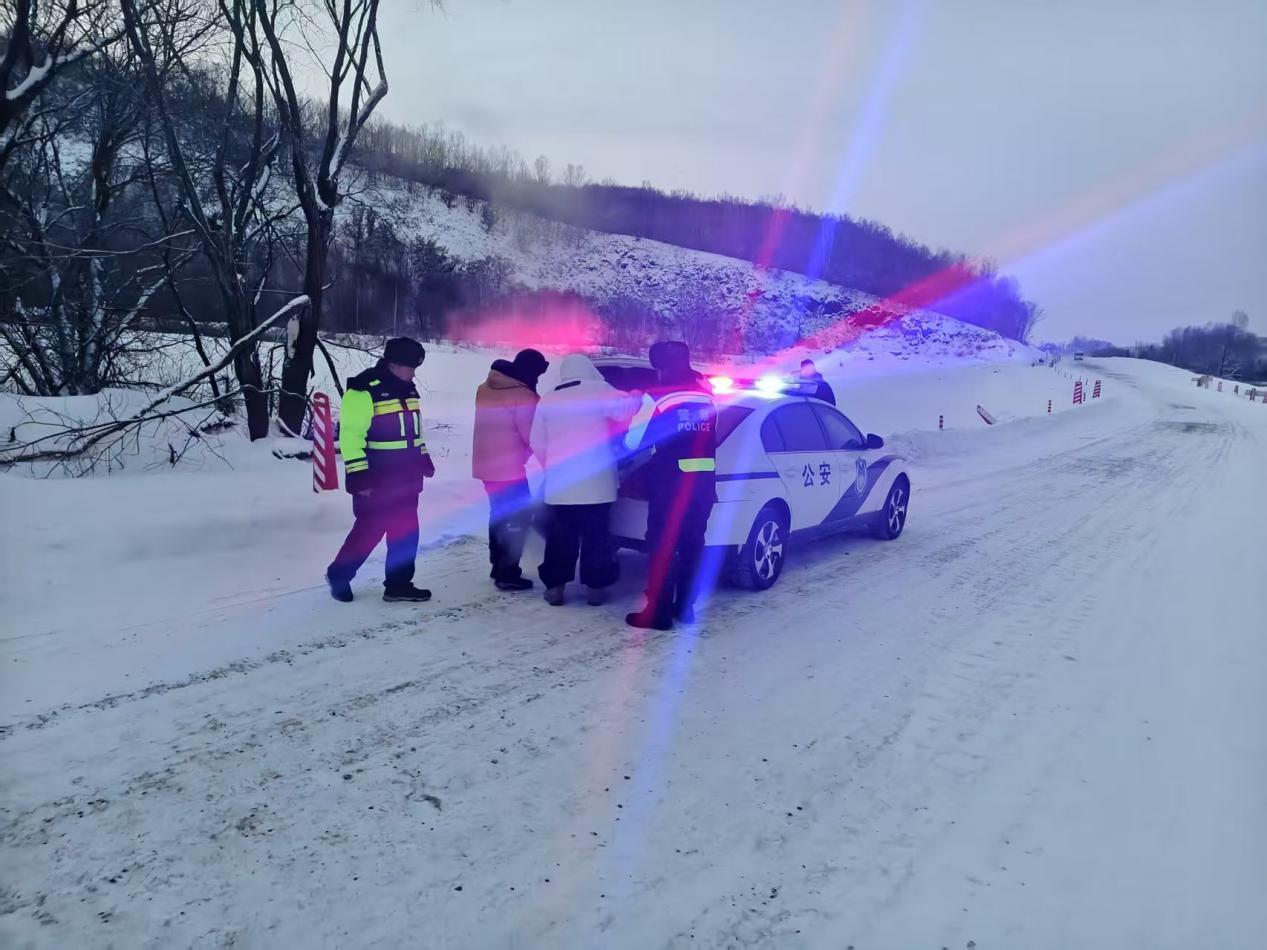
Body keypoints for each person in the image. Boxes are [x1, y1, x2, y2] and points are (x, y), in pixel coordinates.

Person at [326, 337, 436, 603]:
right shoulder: (364, 390)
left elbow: (414, 430)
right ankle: (339, 574)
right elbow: (351, 438)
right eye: (411, 367)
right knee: (369, 531)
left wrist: (423, 455)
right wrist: (359, 476)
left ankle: (398, 585)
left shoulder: (408, 389)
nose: (414, 373)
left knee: (406, 532)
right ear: (394, 364)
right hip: (377, 477)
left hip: (407, 476)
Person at [531, 354, 639, 607]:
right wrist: (635, 396)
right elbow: (624, 410)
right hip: (597, 486)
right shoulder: (600, 390)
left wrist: (552, 467)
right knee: (596, 537)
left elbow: (537, 441)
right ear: (589, 370)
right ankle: (595, 588)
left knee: (560, 539)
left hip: (561, 486)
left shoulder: (548, 399)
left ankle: (555, 587)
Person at [626, 341, 717, 630]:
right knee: (693, 544)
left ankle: (659, 614)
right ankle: (685, 608)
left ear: (662, 367)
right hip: (703, 484)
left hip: (670, 485)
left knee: (662, 545)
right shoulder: (708, 396)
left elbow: (633, 442)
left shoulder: (657, 398)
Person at [472, 348, 550, 591]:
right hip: (509, 469)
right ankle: (507, 572)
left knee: (499, 514)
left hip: (485, 465)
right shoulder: (523, 396)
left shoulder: (485, 388)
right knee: (519, 517)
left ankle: (498, 565)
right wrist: (550, 461)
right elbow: (532, 436)